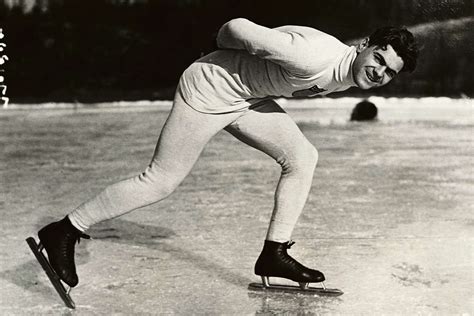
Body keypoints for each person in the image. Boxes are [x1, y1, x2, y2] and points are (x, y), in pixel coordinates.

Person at [35, 18, 418, 290]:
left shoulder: (346, 71)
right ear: (366, 45)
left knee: (303, 157)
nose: (379, 73)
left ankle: (274, 253)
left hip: (244, 98)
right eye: (379, 60)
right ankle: (64, 230)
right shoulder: (313, 57)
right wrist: (219, 46)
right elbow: (237, 28)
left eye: (389, 72)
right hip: (208, 88)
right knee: (161, 180)